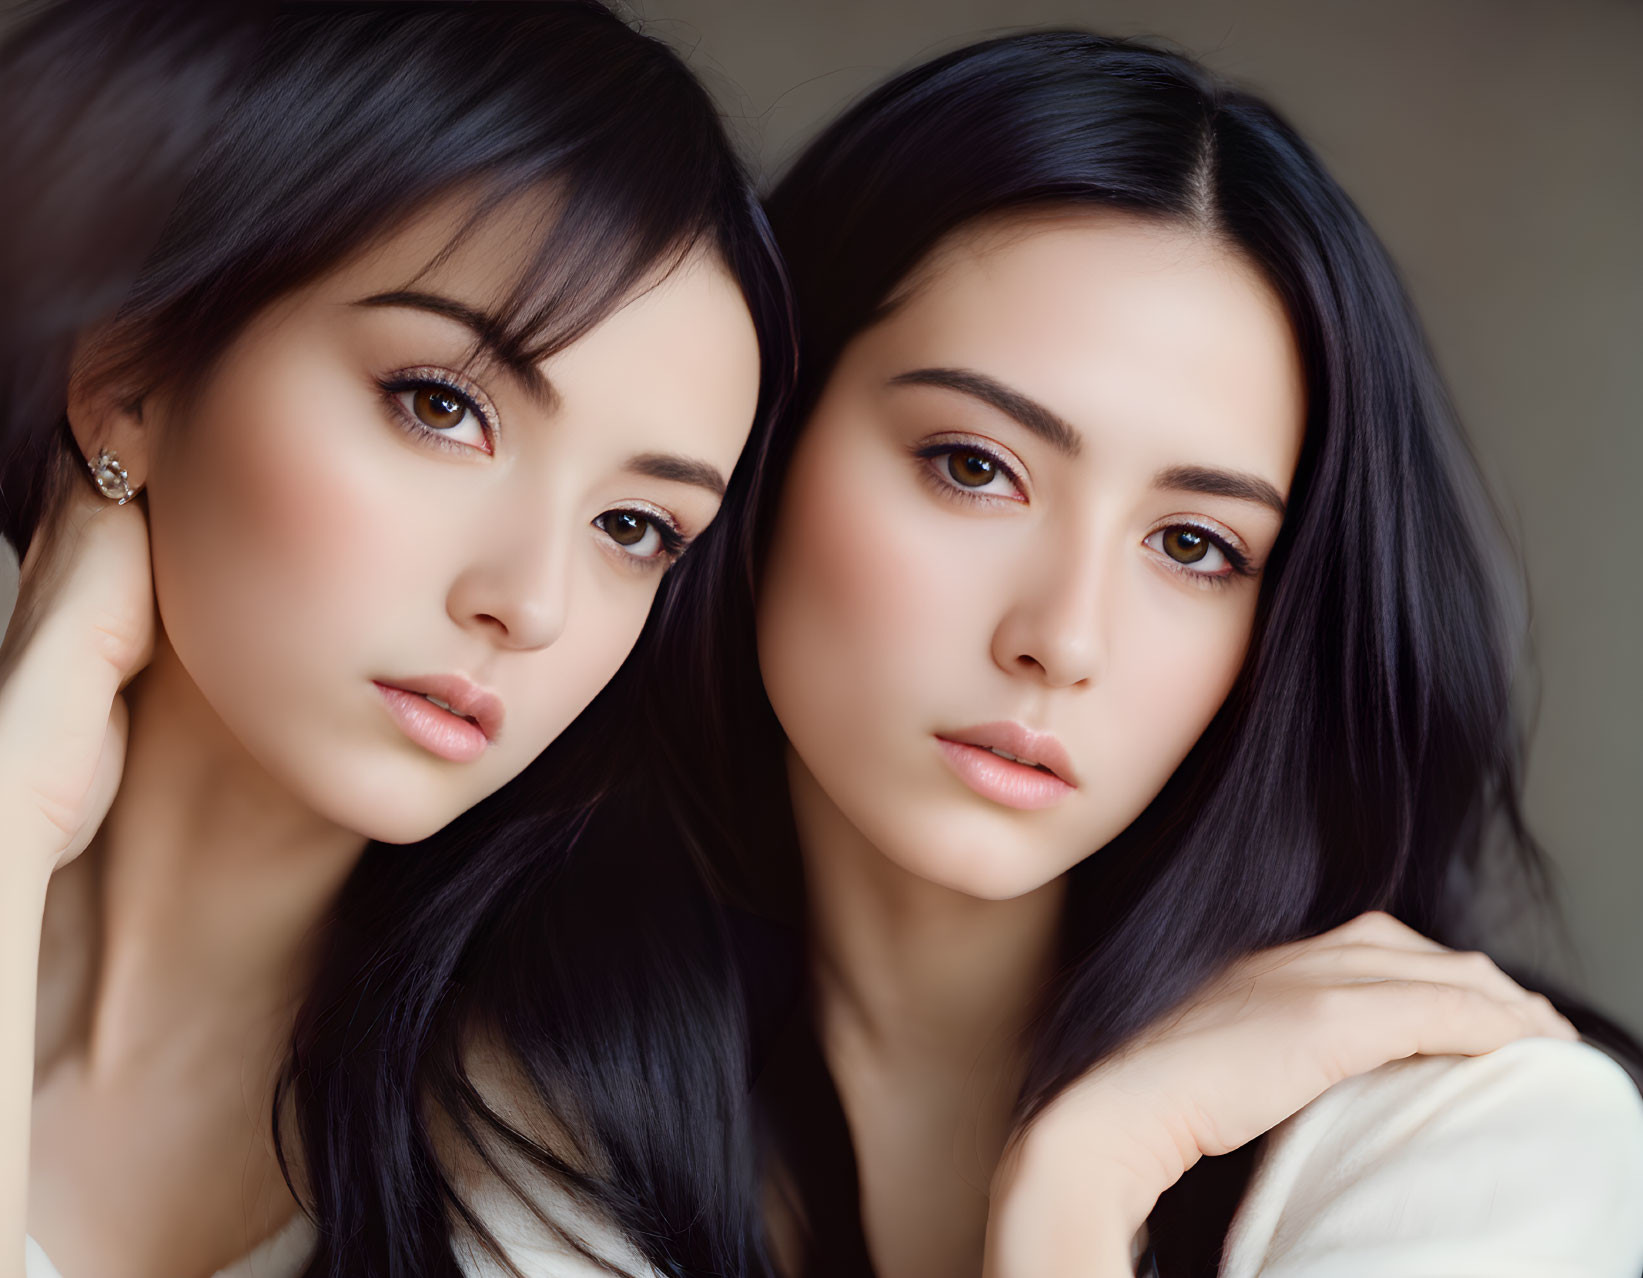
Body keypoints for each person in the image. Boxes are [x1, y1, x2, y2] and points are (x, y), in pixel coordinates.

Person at [639, 30, 1643, 1277]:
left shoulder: (1472, 1138)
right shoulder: (517, 1096)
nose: (1060, 639)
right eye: (973, 467)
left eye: (1192, 545)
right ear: (762, 437)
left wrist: (1082, 1180)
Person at [0, 2, 791, 1275]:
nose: (528, 604)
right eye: (442, 407)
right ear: (129, 377)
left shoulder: (570, 1166)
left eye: (637, 525)